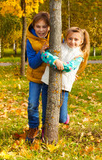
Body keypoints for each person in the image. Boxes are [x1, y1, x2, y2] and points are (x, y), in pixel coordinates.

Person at [40, 27, 90, 139]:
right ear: (65, 38)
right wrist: (55, 60)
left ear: (81, 41)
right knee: (45, 111)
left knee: (61, 118)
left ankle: (66, 117)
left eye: (76, 40)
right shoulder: (58, 47)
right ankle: (44, 131)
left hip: (64, 86)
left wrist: (53, 61)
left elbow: (67, 67)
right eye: (70, 38)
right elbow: (44, 56)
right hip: (47, 82)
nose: (73, 41)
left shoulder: (79, 55)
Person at [25, 12, 50, 143]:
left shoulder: (57, 38)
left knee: (47, 105)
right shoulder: (30, 41)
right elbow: (33, 64)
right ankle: (34, 127)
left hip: (49, 78)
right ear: (33, 27)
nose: (41, 30)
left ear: (50, 27)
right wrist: (42, 52)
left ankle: (46, 128)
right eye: (38, 27)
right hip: (35, 77)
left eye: (44, 27)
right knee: (32, 104)